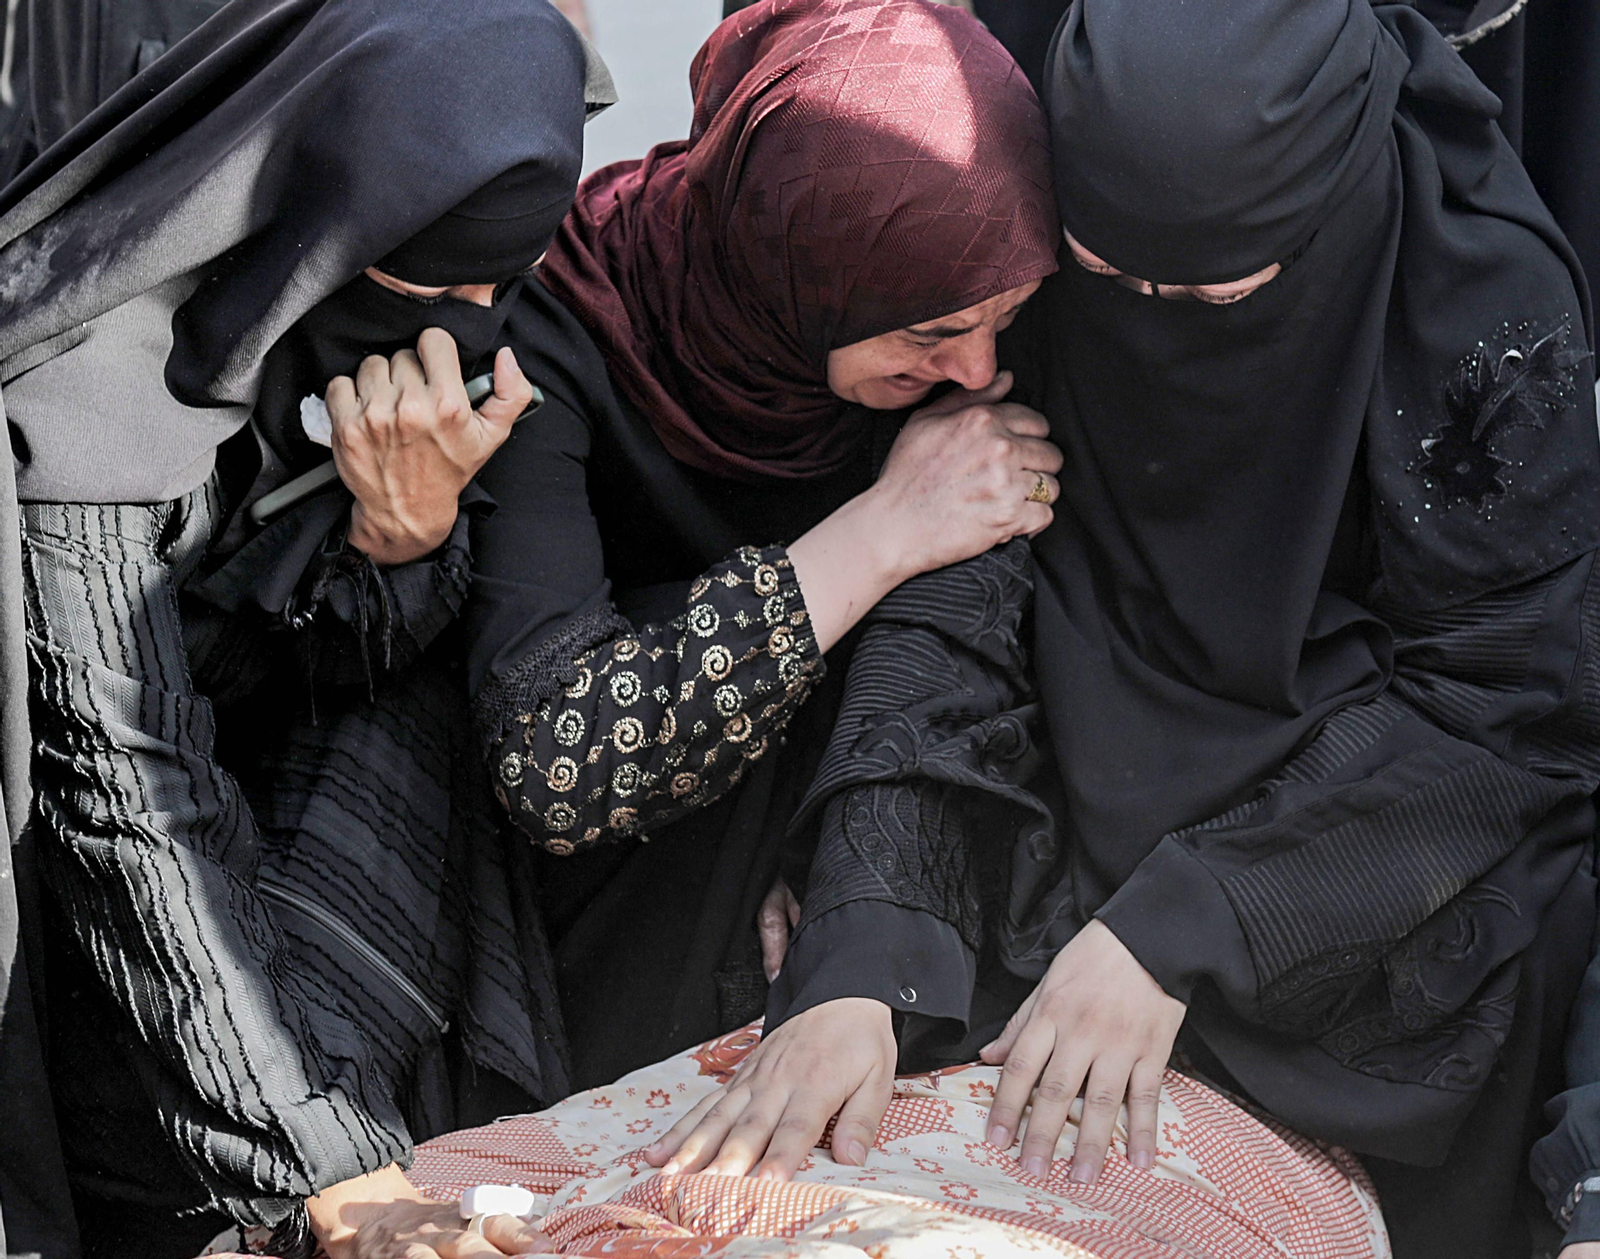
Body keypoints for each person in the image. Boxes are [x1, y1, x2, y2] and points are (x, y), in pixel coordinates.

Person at [650, 3, 1600, 1258]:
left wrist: (1187, 923)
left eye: (1215, 287)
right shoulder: (1053, 230)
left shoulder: (1476, 302)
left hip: (1372, 871)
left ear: (1327, 213)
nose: (1154, 313)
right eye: (1114, 279)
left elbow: (1512, 702)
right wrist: (867, 941)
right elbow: (970, 569)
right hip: (1052, 825)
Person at [0, 0, 613, 1255]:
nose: (465, 329)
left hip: (246, 819)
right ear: (325, 223)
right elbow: (131, 806)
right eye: (433, 284)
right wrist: (336, 1170)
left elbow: (342, 669)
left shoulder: (341, 331)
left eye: (502, 289)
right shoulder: (84, 406)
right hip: (85, 906)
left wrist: (407, 533)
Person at [462, 0, 1061, 1093]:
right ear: (800, 269)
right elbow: (557, 760)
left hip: (826, 894)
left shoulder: (932, 321)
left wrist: (837, 881)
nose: (977, 372)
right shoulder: (555, 339)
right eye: (931, 332)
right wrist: (880, 532)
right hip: (593, 938)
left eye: (1005, 317)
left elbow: (959, 643)